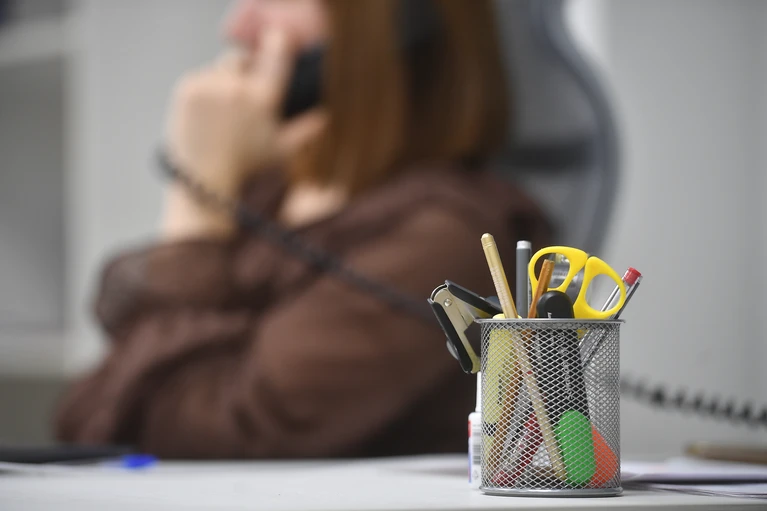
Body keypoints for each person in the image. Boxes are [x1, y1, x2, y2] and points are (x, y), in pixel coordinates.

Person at [54, 0, 552, 459]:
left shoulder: (447, 233)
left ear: (403, 18)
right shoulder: (266, 197)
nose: (236, 27)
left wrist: (197, 197)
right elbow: (85, 414)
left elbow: (223, 435)